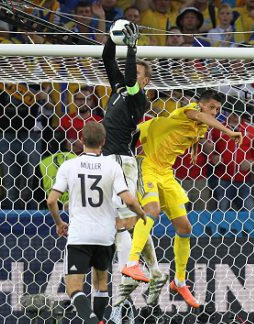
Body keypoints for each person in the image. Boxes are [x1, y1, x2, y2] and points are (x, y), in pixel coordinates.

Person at [122, 90, 243, 308]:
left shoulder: (202, 126)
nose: (215, 112)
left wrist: (195, 148)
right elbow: (199, 117)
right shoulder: (189, 111)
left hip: (166, 173)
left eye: (218, 109)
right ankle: (132, 262)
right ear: (201, 105)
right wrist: (228, 131)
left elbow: (196, 129)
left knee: (185, 228)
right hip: (147, 164)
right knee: (152, 210)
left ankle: (179, 280)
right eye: (212, 107)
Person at [46, 122, 146, 324]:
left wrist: (59, 222)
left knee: (73, 287)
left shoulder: (70, 166)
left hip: (80, 234)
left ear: (81, 140)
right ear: (103, 142)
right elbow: (128, 198)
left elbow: (51, 200)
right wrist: (142, 214)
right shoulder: (112, 166)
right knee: (101, 284)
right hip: (105, 235)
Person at [101, 23, 166, 307]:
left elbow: (128, 76)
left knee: (121, 223)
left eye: (139, 74)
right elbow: (106, 59)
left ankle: (132, 269)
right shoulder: (118, 89)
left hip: (121, 161)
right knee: (123, 223)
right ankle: (153, 271)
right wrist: (111, 37)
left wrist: (132, 47)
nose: (132, 75)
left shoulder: (139, 98)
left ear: (146, 81)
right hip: (110, 160)